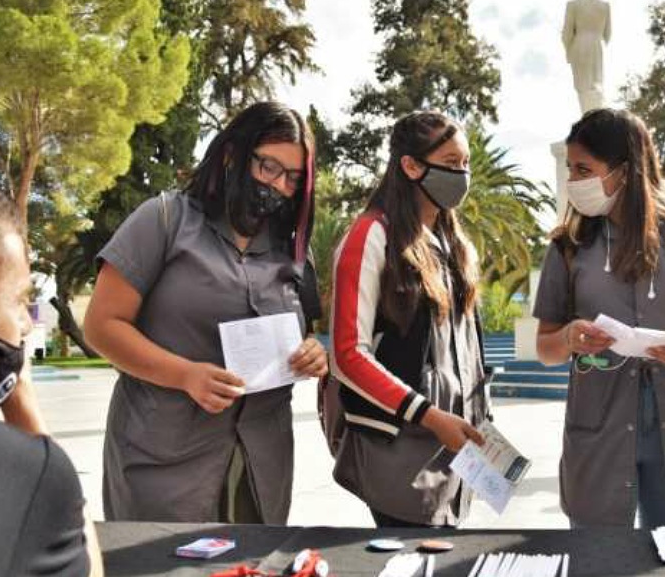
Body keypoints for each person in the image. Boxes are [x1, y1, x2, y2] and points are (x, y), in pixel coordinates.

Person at [84, 101, 328, 524]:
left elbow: (306, 334)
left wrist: (314, 353)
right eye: (268, 167)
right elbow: (101, 326)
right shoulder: (164, 219)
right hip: (162, 461)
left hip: (260, 466)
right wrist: (184, 375)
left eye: (293, 177)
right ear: (233, 153)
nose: (279, 186)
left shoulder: (294, 254)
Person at [534, 108, 665, 528]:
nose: (574, 180)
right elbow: (546, 347)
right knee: (597, 556)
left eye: (584, 169)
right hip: (599, 426)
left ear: (625, 170)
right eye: (571, 169)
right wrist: (570, 337)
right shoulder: (568, 246)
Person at [330, 110, 489, 528]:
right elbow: (348, 354)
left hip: (456, 447)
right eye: (452, 164)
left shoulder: (453, 244)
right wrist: (431, 417)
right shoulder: (370, 236)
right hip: (401, 449)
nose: (463, 175)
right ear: (411, 165)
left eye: (466, 164)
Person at [0, 189, 103, 576]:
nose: (26, 324)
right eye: (18, 300)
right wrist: (22, 399)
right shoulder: (28, 471)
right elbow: (86, 566)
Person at [561, 0, 611, 112]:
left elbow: (567, 33)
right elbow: (608, 34)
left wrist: (568, 51)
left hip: (580, 43)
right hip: (598, 45)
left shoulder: (573, 5)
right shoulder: (604, 5)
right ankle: (596, 115)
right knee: (596, 84)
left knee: (583, 87)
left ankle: (588, 117)